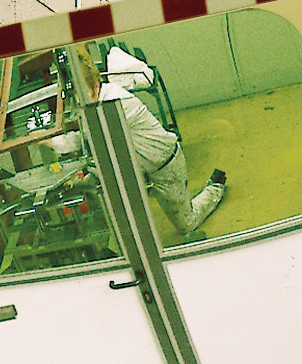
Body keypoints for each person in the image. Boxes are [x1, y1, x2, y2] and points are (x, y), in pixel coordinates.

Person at [96, 45, 226, 234]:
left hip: (165, 167)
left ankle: (215, 187)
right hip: (146, 166)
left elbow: (94, 137)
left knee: (187, 224)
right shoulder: (101, 98)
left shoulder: (115, 102)